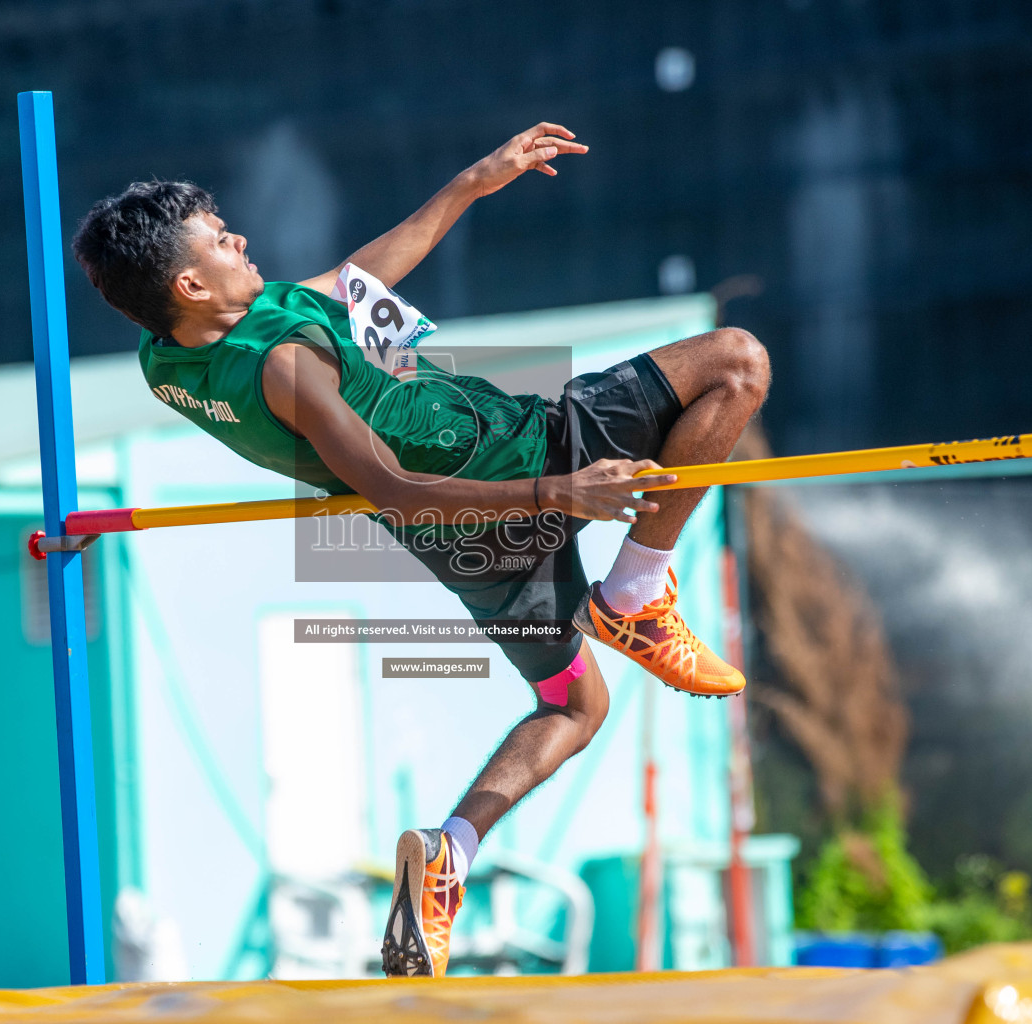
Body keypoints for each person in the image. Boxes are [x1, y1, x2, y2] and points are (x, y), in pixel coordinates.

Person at [71, 123, 770, 978]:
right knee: (735, 362)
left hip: (462, 540)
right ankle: (634, 592)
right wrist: (564, 492)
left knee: (573, 706)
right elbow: (394, 483)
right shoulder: (283, 366)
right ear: (189, 280)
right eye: (222, 239)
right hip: (525, 455)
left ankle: (450, 854)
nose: (241, 239)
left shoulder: (167, 354)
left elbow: (354, 284)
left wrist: (475, 181)